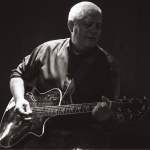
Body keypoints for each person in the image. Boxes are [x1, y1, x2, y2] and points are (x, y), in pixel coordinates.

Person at [10, 1, 124, 149]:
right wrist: (19, 100)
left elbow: (118, 117)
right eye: (88, 24)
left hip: (86, 133)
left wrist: (109, 118)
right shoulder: (46, 50)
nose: (94, 30)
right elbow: (17, 75)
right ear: (71, 25)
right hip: (43, 131)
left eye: (98, 26)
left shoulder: (108, 64)